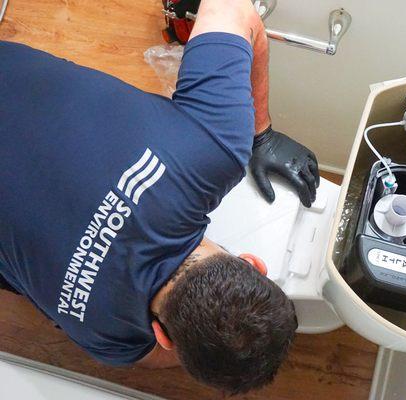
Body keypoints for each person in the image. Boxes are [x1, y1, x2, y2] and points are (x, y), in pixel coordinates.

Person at [0, 0, 320, 394]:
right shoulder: (106, 334)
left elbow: (230, 7)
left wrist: (261, 133)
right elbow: (148, 357)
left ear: (253, 264)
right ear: (164, 336)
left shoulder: (213, 147)